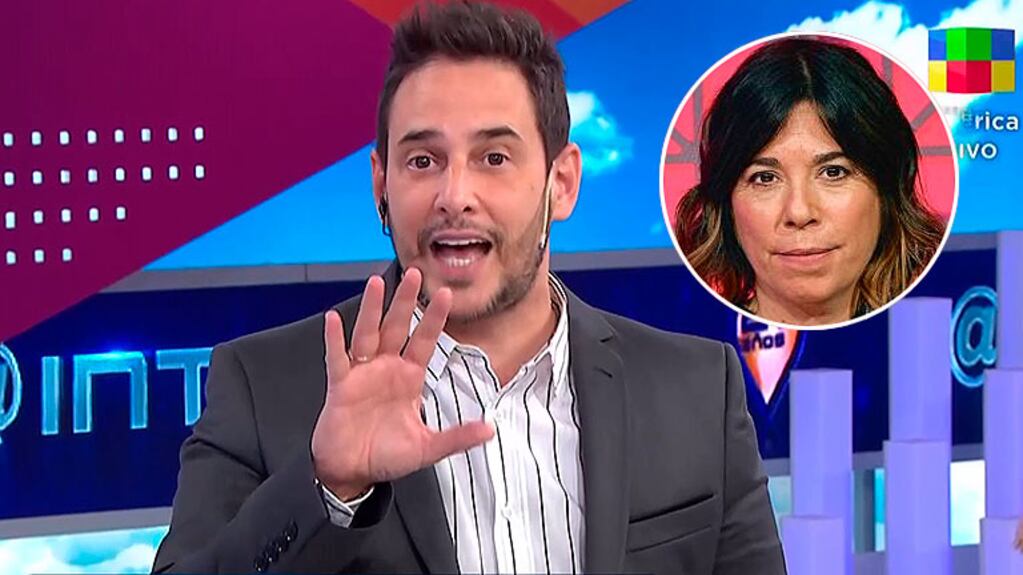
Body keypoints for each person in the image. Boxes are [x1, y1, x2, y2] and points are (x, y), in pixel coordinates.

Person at [152, 3, 785, 573]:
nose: (454, 196)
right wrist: (328, 487)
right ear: (381, 185)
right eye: (423, 161)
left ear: (562, 183)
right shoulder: (261, 387)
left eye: (494, 158)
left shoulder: (697, 391)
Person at [674, 37, 946, 327]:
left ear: (886, 191)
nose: (800, 212)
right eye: (765, 178)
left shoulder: (930, 326)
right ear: (727, 205)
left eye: (833, 172)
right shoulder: (695, 340)